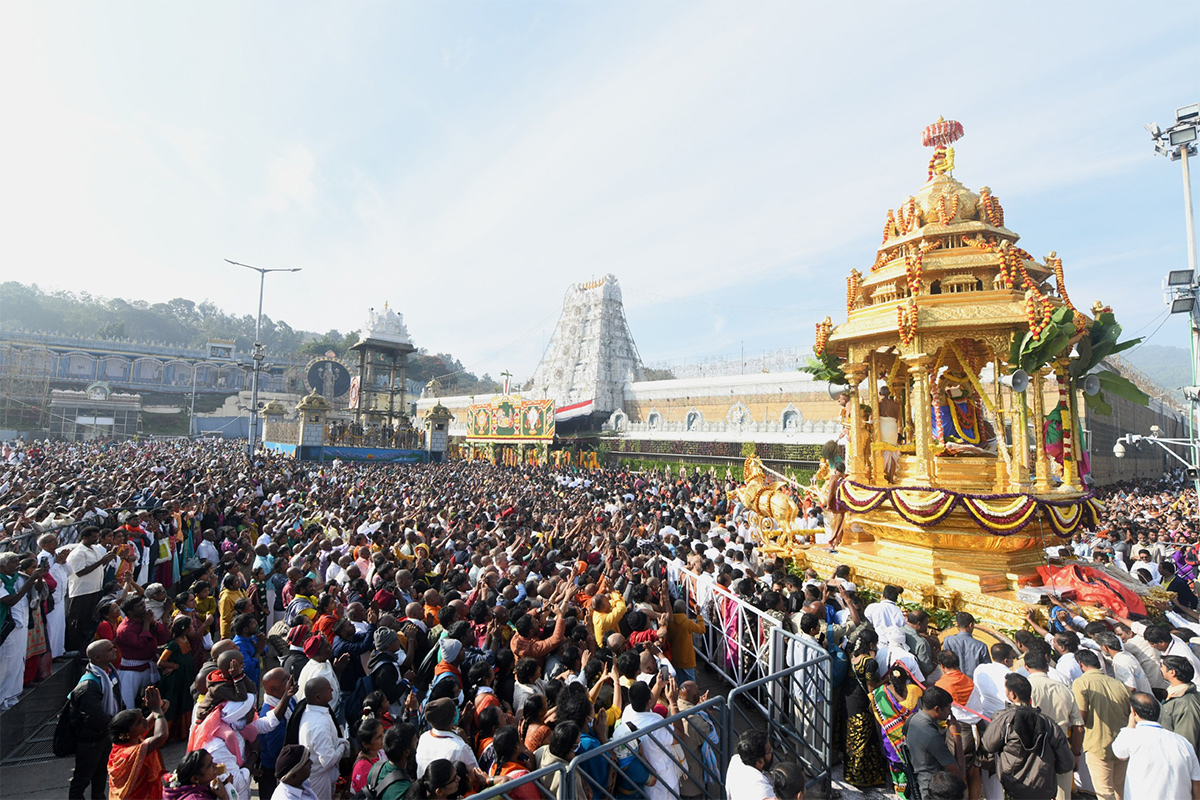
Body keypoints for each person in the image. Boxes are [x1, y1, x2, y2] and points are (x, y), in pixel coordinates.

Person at [980, 673, 1074, 800]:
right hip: (1044, 789)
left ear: (1012, 694)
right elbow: (1067, 763)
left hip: (1014, 787)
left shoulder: (1005, 720)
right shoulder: (1048, 723)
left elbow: (987, 744)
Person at [1111, 692, 1200, 800]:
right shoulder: (1183, 742)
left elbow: (1119, 753)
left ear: (1133, 712)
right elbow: (1196, 782)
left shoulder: (1133, 737)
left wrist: (1130, 724)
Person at [69, 638, 126, 800]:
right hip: (91, 739)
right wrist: (120, 725)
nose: (114, 650)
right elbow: (95, 717)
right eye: (109, 649)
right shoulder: (89, 685)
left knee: (101, 773)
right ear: (97, 659)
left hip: (105, 736)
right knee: (83, 777)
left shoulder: (110, 674)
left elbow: (117, 701)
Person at [1073, 648, 1133, 800]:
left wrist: (1075, 750)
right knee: (1121, 789)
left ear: (1081, 664)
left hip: (1098, 746)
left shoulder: (1081, 683)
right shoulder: (1119, 684)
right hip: (1121, 745)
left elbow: (1081, 720)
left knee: (1104, 792)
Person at [1025, 648, 1083, 800]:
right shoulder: (1064, 689)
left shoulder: (1025, 690)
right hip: (1062, 746)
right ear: (1047, 666)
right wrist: (1075, 753)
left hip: (1035, 747)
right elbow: (1079, 727)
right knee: (1063, 793)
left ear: (1026, 667)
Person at [0, 552, 46, 710]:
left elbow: (38, 590)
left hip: (22, 625)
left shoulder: (19, 577)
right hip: (7, 628)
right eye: (13, 562)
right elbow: (11, 601)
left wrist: (39, 577)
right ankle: (2, 698)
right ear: (2, 566)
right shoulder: (1, 581)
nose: (18, 565)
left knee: (17, 663)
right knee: (6, 663)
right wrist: (31, 580)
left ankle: (11, 696)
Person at [107, 685, 169, 800]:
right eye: (138, 722)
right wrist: (156, 709)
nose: (145, 721)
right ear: (125, 734)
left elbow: (164, 707)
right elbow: (161, 735)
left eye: (143, 717)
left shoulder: (133, 738)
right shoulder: (128, 753)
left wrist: (158, 703)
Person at [903, 686, 966, 800]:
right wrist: (957, 735)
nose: (950, 713)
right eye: (948, 709)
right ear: (937, 709)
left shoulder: (912, 719)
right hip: (933, 792)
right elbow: (960, 773)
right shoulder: (931, 735)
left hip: (918, 783)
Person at [843, 630, 888, 789]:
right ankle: (865, 777)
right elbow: (872, 688)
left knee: (853, 737)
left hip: (850, 701)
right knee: (866, 739)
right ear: (871, 645)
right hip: (862, 704)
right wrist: (886, 681)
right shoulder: (869, 662)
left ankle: (851, 774)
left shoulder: (852, 657)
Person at [871, 663, 923, 797]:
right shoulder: (913, 691)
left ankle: (901, 794)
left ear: (889, 678)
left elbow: (872, 709)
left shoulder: (880, 693)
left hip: (892, 741)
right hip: (913, 740)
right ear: (906, 679)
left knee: (897, 770)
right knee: (913, 769)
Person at [292, 677, 348, 800]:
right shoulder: (319, 724)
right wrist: (342, 746)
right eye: (328, 689)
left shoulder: (313, 712)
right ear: (318, 697)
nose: (332, 690)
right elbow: (327, 761)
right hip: (318, 779)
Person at [361, 723, 419, 800]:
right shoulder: (405, 791)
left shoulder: (376, 768)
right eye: (415, 744)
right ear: (406, 752)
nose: (417, 747)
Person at [1161, 655, 1200, 756]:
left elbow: (1186, 743)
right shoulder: (1174, 694)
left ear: (1172, 672)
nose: (1160, 669)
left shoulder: (1187, 703)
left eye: (1162, 667)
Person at [726, 729, 775, 800]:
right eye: (769, 751)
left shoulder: (736, 760)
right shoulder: (764, 791)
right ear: (760, 762)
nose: (772, 752)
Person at [162, 750, 230, 800]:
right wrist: (225, 797)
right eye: (210, 765)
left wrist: (226, 786)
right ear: (195, 779)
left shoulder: (201, 788)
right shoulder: (195, 798)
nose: (216, 765)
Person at [943, 613, 990, 678]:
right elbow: (986, 668)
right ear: (971, 625)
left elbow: (946, 662)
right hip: (973, 683)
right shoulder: (981, 646)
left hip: (954, 679)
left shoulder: (948, 640)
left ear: (957, 624)